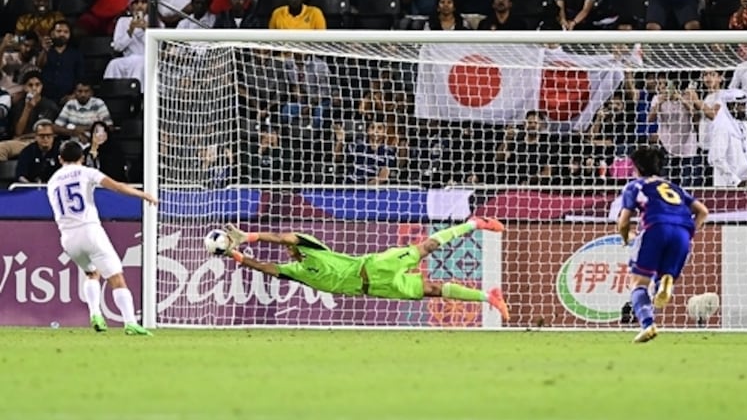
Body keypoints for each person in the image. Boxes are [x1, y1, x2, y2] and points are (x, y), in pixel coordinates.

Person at [216, 217, 510, 321]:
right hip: (377, 289)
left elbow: (282, 238)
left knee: (426, 248)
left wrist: (249, 237)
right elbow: (268, 268)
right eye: (289, 251)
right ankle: (490, 297)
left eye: (291, 247)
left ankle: (475, 223)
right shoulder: (298, 271)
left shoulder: (311, 245)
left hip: (375, 267)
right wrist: (234, 254)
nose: (289, 249)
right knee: (431, 290)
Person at [46, 140, 157, 335]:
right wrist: (143, 195)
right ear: (82, 157)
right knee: (116, 278)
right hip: (90, 231)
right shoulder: (87, 172)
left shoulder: (53, 181)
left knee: (91, 273)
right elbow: (117, 187)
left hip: (68, 238)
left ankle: (95, 313)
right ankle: (130, 323)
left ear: (60, 159)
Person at [617, 145, 709, 343]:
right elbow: (703, 211)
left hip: (656, 228)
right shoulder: (675, 187)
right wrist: (689, 232)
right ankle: (663, 282)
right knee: (662, 274)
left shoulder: (635, 186)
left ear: (638, 168)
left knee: (637, 284)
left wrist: (626, 239)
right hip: (682, 233)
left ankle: (648, 324)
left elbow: (623, 222)